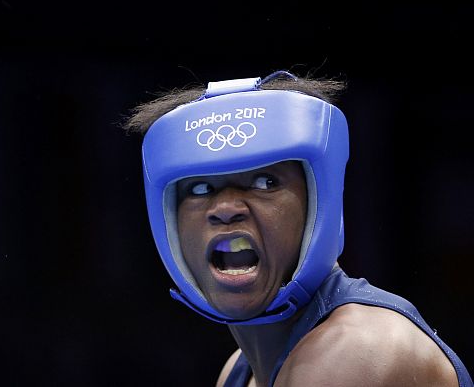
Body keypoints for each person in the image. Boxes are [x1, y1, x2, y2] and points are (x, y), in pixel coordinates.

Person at [122, 69, 472, 387]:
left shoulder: (356, 348)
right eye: (200, 189)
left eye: (264, 181)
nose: (226, 208)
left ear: (316, 204)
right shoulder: (238, 371)